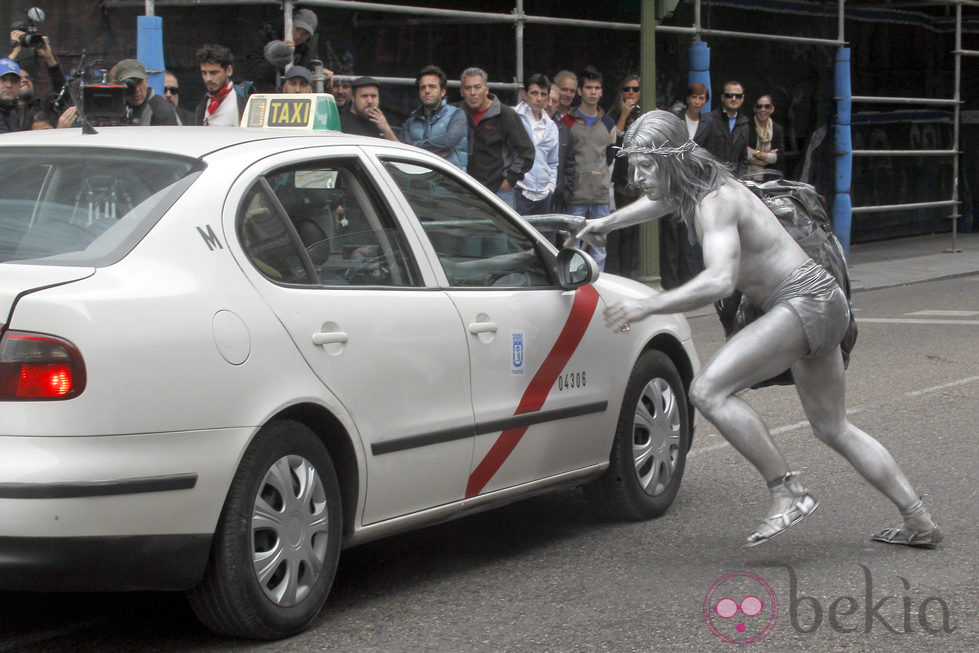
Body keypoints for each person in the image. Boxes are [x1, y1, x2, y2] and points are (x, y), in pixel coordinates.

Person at [575, 110, 943, 549]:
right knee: (833, 427)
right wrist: (606, 223)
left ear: (673, 158)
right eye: (633, 164)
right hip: (823, 301)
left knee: (708, 390)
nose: (636, 176)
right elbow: (664, 200)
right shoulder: (699, 184)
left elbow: (719, 280)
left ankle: (787, 491)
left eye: (646, 165)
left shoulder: (715, 203)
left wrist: (647, 306)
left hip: (802, 303)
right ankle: (918, 519)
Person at [560, 66, 616, 271]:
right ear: (580, 91)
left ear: (602, 91)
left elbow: (610, 155)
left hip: (601, 194)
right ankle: (574, 285)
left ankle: (600, 287)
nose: (593, 92)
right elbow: (562, 158)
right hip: (575, 193)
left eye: (597, 88)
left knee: (599, 247)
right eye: (589, 87)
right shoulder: (566, 122)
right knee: (572, 244)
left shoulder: (609, 124)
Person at [459, 67, 534, 208]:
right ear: (462, 92)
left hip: (498, 193)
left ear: (486, 89)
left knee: (500, 231)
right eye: (468, 88)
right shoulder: (457, 114)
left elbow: (527, 152)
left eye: (477, 87)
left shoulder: (505, 115)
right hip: (465, 191)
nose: (473, 93)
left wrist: (510, 180)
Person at [606, 73, 643, 277]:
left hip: (643, 182)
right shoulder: (612, 115)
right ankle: (619, 276)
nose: (631, 93)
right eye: (627, 89)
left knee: (634, 235)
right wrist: (623, 115)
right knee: (619, 233)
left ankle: (629, 275)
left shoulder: (646, 115)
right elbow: (612, 144)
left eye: (635, 89)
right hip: (620, 183)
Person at [400, 65, 467, 169]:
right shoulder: (411, 120)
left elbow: (449, 141)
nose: (427, 91)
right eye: (423, 87)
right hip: (418, 180)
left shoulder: (457, 115)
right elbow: (405, 151)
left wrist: (417, 146)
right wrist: (436, 151)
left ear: (442, 92)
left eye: (432, 86)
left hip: (449, 181)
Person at [513, 73, 559, 215]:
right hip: (519, 189)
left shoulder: (551, 126)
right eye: (534, 93)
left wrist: (550, 186)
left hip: (543, 194)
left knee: (539, 236)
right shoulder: (513, 116)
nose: (538, 98)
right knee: (517, 236)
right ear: (525, 94)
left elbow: (553, 162)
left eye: (543, 94)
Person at [247, 7, 321, 92]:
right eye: (297, 29)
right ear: (289, 23)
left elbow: (307, 67)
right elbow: (255, 72)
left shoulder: (309, 44)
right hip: (266, 91)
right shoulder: (265, 34)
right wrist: (279, 53)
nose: (298, 36)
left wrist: (319, 70)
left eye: (305, 33)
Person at [113, 59, 178, 126]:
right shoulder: (115, 106)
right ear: (118, 85)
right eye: (130, 85)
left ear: (146, 81)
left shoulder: (161, 110)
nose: (137, 89)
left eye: (139, 82)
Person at [194, 44, 245, 127]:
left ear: (229, 71)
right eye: (204, 73)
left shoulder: (242, 100)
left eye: (213, 73)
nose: (208, 78)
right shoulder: (204, 101)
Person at [707, 80, 750, 176]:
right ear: (723, 98)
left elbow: (743, 158)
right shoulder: (708, 120)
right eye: (729, 95)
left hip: (733, 181)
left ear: (742, 98)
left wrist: (739, 179)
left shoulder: (744, 124)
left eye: (738, 96)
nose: (734, 99)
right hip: (710, 178)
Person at [340, 76, 398, 140]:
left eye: (373, 96)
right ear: (353, 98)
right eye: (364, 96)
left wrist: (387, 130)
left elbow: (398, 148)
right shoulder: (341, 123)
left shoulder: (380, 122)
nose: (370, 101)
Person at [747, 94, 785, 175]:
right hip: (747, 175)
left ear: (772, 109)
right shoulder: (746, 126)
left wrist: (754, 152)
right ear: (755, 109)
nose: (762, 109)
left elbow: (778, 157)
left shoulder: (777, 129)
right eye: (759, 106)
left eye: (767, 106)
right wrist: (766, 156)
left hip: (769, 176)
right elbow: (741, 152)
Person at [0, 57, 22, 132]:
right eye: (3, 79)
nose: (9, 85)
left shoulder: (13, 114)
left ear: (20, 85)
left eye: (14, 80)